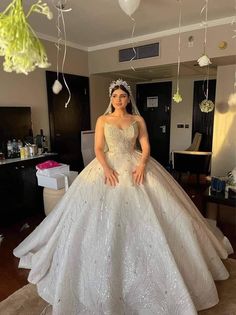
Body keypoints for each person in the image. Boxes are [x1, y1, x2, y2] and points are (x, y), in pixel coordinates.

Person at [14, 79, 233, 315]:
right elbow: (98, 148)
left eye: (122, 96)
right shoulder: (102, 120)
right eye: (115, 96)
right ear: (111, 98)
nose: (118, 100)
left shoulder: (137, 120)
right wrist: (106, 168)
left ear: (129, 99)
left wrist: (141, 164)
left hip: (135, 164)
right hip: (107, 167)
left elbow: (146, 145)